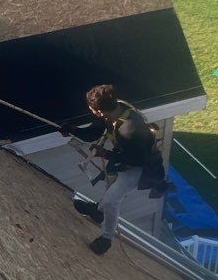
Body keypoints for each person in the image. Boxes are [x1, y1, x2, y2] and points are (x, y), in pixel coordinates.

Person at [70, 84, 167, 256]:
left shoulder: (130, 128)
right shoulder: (114, 111)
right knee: (110, 186)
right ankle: (98, 212)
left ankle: (106, 239)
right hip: (124, 158)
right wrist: (71, 130)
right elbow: (94, 132)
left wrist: (106, 154)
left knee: (111, 199)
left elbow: (137, 159)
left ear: (98, 111)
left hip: (142, 167)